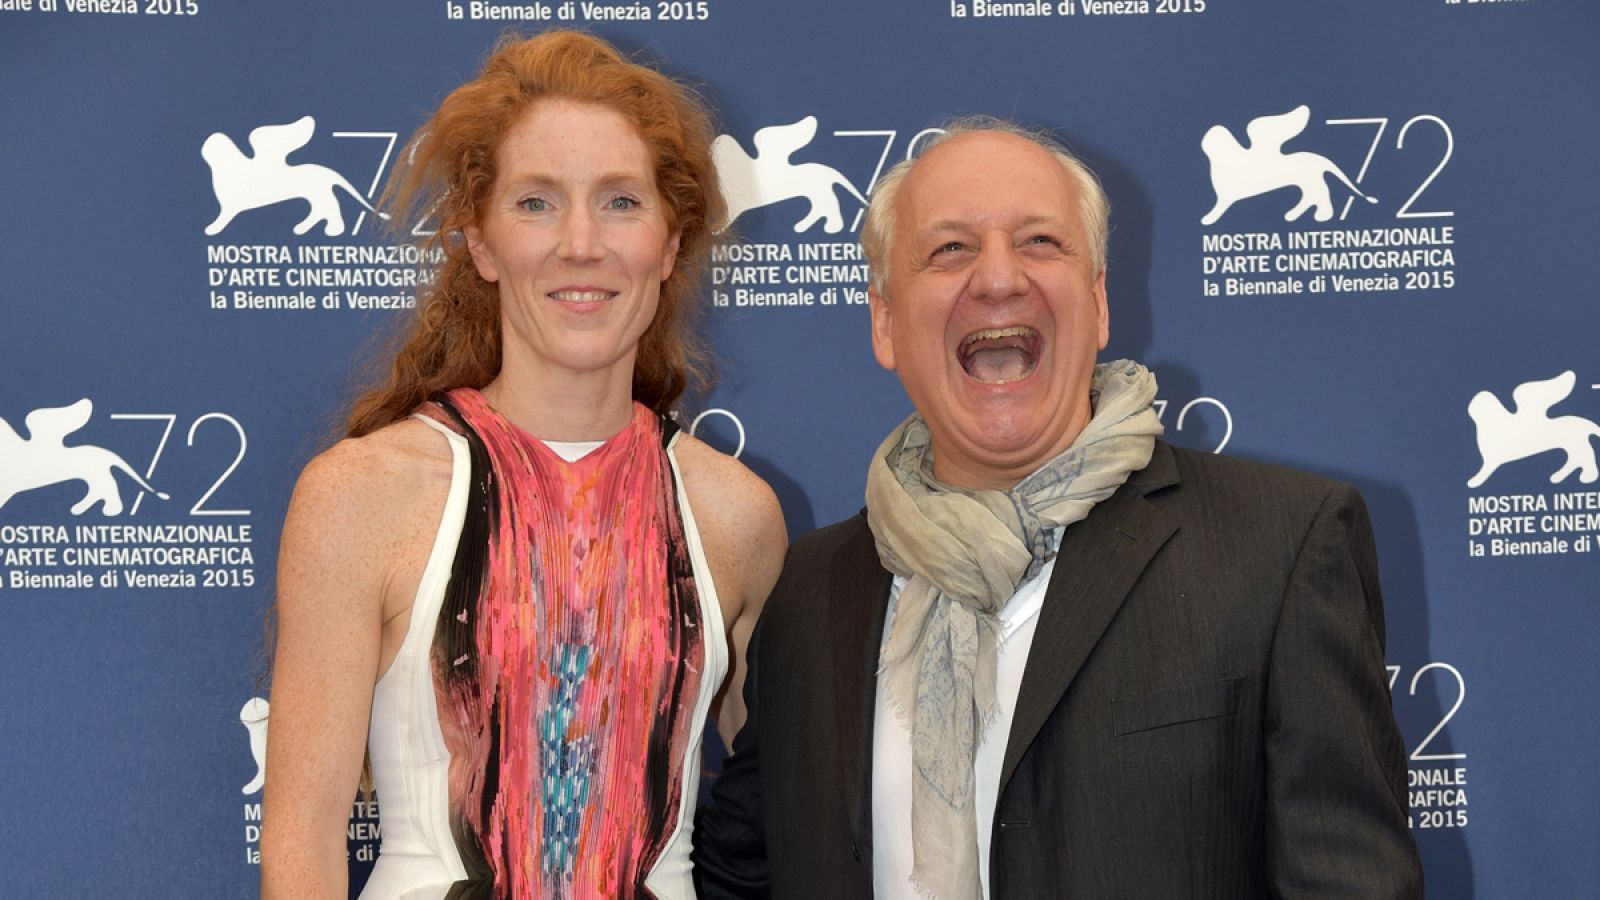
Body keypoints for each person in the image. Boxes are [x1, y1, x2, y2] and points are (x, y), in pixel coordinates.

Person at [693, 118, 1422, 899]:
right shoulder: (810, 589)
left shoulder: (1279, 547)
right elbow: (740, 876)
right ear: (883, 321)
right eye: (950, 248)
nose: (999, 278)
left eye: (1040, 241)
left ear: (1100, 303)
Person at [260, 31, 786, 900]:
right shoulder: (361, 496)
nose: (581, 243)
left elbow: (798, 808)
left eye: (620, 202)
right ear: (481, 242)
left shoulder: (736, 514)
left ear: (670, 240)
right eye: (537, 203)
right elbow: (301, 850)